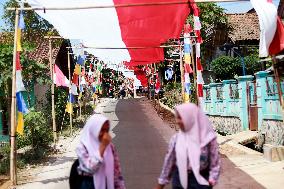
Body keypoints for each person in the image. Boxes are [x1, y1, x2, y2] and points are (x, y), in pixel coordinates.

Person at [155, 103, 220, 189]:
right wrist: (161, 184)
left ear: (191, 118)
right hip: (179, 180)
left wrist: (211, 182)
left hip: (201, 181)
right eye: (177, 117)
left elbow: (215, 163)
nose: (177, 121)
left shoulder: (208, 139)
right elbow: (169, 162)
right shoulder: (176, 139)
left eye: (181, 118)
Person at [71, 114, 126, 189]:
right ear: (94, 129)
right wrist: (102, 147)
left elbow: (116, 172)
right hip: (88, 185)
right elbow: (90, 168)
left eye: (107, 130)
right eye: (102, 130)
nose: (105, 134)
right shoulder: (82, 147)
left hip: (107, 184)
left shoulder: (110, 147)